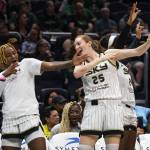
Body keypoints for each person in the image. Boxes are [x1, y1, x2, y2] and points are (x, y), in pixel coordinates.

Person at [0, 42, 87, 150]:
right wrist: (4, 75)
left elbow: (50, 66)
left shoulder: (26, 64)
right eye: (9, 55)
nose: (13, 56)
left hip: (29, 118)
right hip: (9, 122)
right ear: (2, 59)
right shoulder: (1, 77)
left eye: (14, 53)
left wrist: (71, 63)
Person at [73, 34, 150, 150]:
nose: (76, 46)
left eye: (78, 43)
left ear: (89, 43)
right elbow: (77, 73)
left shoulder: (110, 54)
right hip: (93, 107)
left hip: (113, 107)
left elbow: (137, 51)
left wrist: (148, 43)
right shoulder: (80, 63)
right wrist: (100, 59)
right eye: (75, 45)